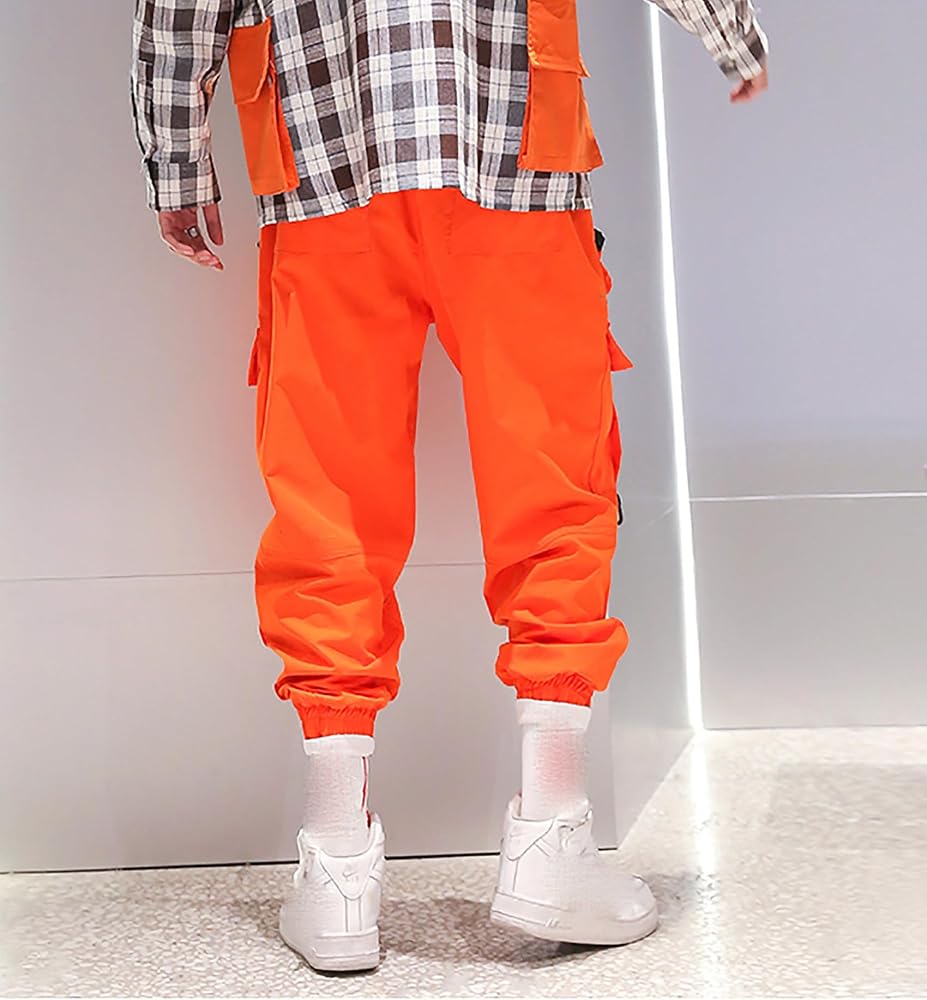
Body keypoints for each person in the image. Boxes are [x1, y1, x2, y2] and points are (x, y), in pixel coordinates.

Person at [131, 0, 767, 973]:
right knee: (553, 482)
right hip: (509, 137)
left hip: (322, 149)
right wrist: (730, 31)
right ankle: (552, 831)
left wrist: (177, 159)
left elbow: (178, 10)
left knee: (327, 506)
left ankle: (336, 864)